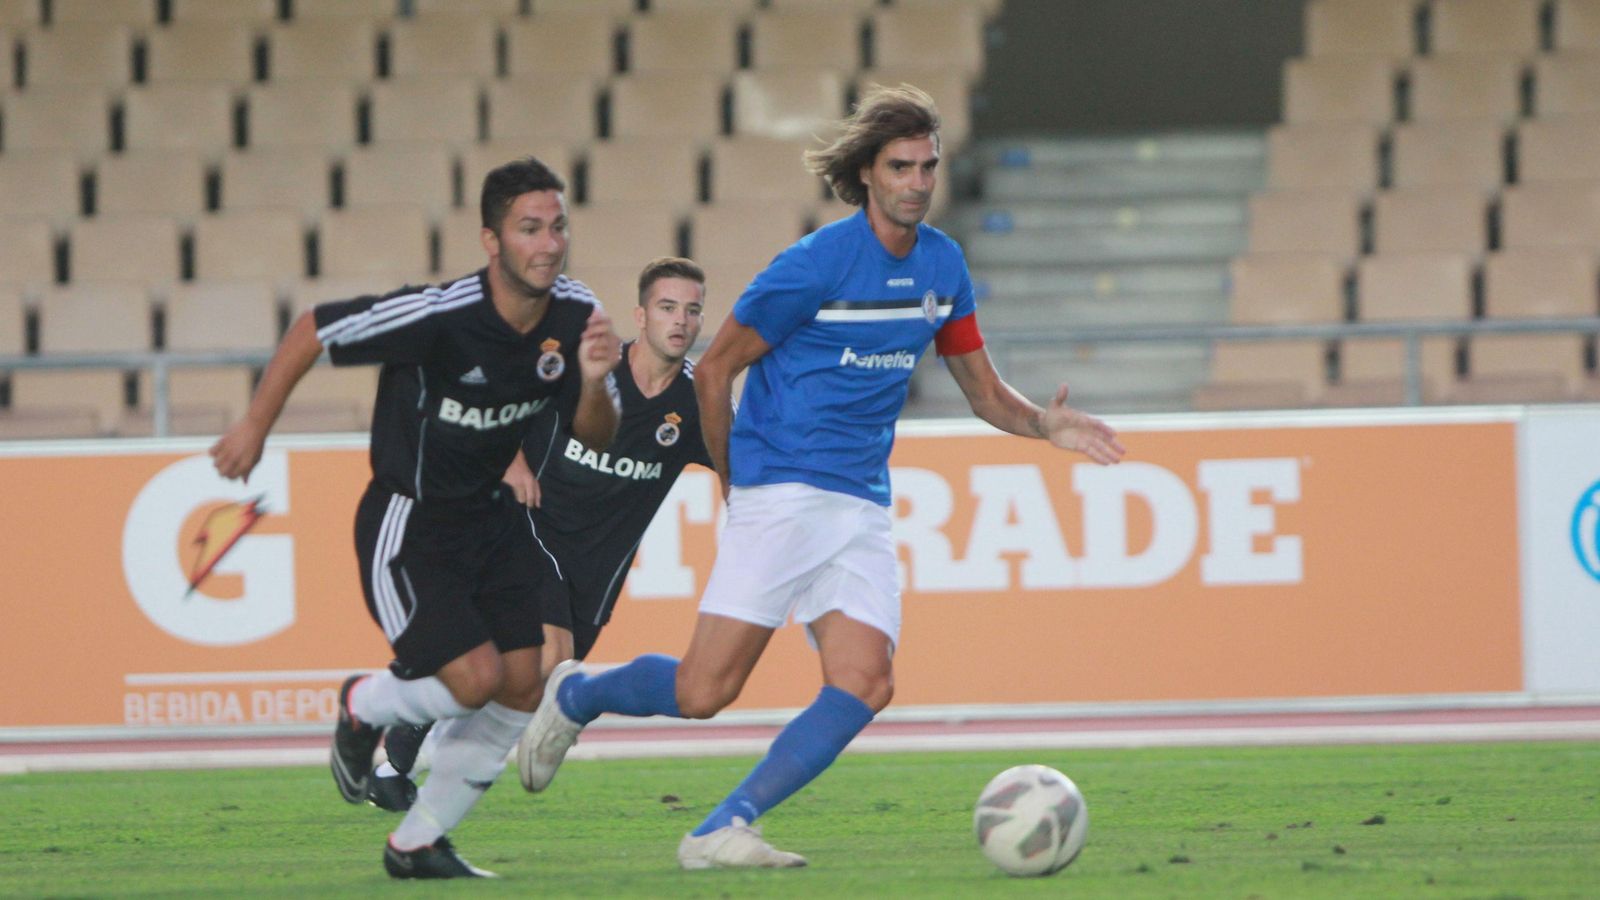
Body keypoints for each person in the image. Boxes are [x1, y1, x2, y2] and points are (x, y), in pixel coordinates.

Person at [518, 84, 1127, 870]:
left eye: (928, 167)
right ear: (867, 173)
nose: (917, 182)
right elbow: (717, 371)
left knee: (866, 682)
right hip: (783, 490)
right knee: (705, 693)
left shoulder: (943, 265)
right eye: (900, 167)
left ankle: (720, 828)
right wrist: (736, 483)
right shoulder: (813, 265)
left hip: (860, 502)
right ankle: (577, 695)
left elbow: (981, 390)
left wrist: (1044, 423)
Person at [209, 157, 621, 880]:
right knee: (473, 679)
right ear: (491, 241)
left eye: (558, 226)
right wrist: (254, 426)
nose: (550, 244)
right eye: (530, 229)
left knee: (525, 681)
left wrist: (593, 382)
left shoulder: (575, 316)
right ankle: (363, 706)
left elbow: (597, 433)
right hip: (412, 522)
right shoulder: (439, 317)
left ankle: (417, 843)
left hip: (491, 520)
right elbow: (314, 329)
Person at [364, 256, 716, 810]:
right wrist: (510, 462)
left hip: (592, 574)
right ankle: (404, 745)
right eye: (667, 307)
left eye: (692, 310)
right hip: (526, 529)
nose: (680, 320)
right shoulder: (588, 369)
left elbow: (750, 466)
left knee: (519, 683)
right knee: (550, 658)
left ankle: (395, 755)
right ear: (641, 315)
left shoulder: (699, 403)